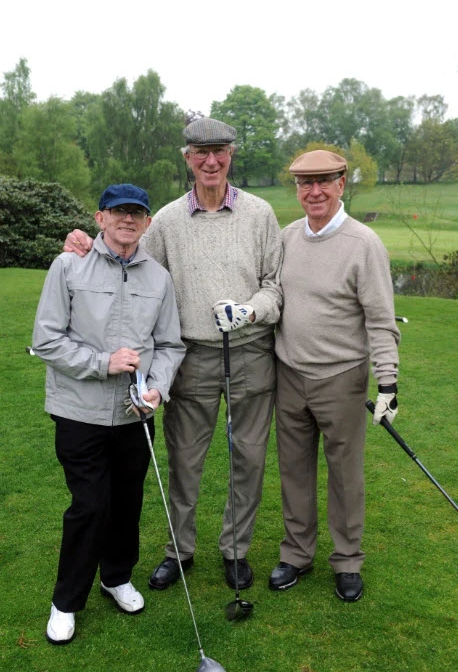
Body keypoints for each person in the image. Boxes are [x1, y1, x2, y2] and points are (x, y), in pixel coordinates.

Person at [63, 118, 283, 592]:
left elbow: (274, 286)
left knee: (248, 458)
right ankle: (179, 550)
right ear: (188, 158)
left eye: (220, 151)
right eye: (201, 152)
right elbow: (127, 258)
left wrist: (250, 310)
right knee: (185, 461)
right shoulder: (164, 220)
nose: (211, 161)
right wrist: (84, 244)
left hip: (251, 353)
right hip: (192, 356)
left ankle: (236, 549)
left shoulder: (260, 214)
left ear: (231, 155)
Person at [33, 183, 185, 644]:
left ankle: (116, 577)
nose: (128, 219)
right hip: (78, 412)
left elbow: (170, 345)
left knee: (127, 503)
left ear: (147, 222)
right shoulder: (68, 265)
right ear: (100, 218)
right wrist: (103, 363)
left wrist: (158, 389)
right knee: (90, 506)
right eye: (118, 212)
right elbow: (46, 340)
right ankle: (66, 601)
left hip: (135, 413)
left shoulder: (158, 277)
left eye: (136, 213)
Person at [268, 150, 400, 602]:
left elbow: (381, 320)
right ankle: (296, 554)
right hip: (289, 373)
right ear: (297, 189)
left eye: (324, 181)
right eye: (306, 183)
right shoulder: (287, 238)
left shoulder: (364, 244)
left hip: (342, 378)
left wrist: (388, 382)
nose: (315, 191)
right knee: (294, 472)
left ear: (341, 184)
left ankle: (347, 560)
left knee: (345, 476)